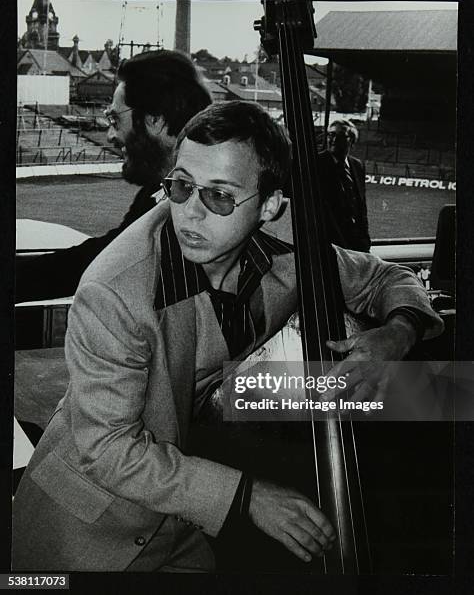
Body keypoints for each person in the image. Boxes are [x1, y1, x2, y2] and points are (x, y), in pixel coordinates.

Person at [12, 101, 443, 572]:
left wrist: (399, 332)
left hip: (187, 525)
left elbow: (385, 276)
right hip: (87, 530)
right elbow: (108, 449)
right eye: (180, 186)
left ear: (270, 205)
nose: (189, 215)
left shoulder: (287, 246)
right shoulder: (113, 291)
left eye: (219, 196)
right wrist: (248, 497)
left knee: (441, 395)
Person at [15, 49, 212, 303]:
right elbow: (103, 255)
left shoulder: (195, 203)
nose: (110, 135)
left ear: (155, 120)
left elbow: (104, 267)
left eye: (114, 119)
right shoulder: (157, 193)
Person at [318, 119, 371, 252]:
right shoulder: (316, 163)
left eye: (340, 136)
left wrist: (365, 241)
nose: (333, 139)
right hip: (330, 247)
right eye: (330, 135)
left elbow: (361, 207)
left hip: (357, 245)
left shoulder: (357, 166)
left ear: (351, 141)